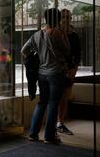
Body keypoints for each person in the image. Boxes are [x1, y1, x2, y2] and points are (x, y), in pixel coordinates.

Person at [21, 8, 70, 144]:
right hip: (56, 73)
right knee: (53, 103)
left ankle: (33, 134)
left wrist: (36, 59)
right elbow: (67, 51)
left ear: (46, 18)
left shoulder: (37, 35)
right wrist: (65, 35)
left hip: (41, 74)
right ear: (58, 19)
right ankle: (49, 136)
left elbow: (24, 51)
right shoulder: (57, 34)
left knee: (42, 102)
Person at [56, 9, 81, 135]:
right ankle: (54, 123)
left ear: (70, 18)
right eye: (63, 17)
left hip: (69, 71)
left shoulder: (74, 36)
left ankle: (60, 123)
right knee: (55, 98)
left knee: (65, 98)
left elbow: (78, 55)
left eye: (67, 17)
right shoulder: (56, 33)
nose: (65, 19)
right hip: (57, 71)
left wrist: (74, 69)